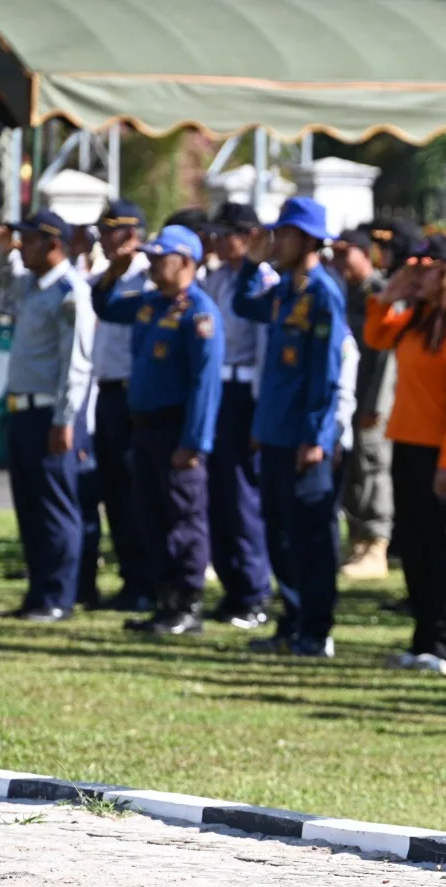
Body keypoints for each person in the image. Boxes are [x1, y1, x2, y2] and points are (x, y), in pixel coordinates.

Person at [92, 224, 224, 634]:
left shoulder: (199, 313)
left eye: (158, 256)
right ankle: (164, 600)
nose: (149, 263)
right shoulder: (151, 303)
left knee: (184, 518)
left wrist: (193, 442)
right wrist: (115, 270)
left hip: (175, 429)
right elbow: (107, 306)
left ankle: (188, 604)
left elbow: (206, 385)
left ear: (185, 262)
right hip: (144, 427)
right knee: (151, 516)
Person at [366, 234, 446, 674]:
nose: (416, 276)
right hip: (409, 446)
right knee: (417, 548)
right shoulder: (419, 319)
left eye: (427, 268)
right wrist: (388, 295)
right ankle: (424, 639)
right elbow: (376, 336)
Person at [232, 197, 347, 658]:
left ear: (310, 240)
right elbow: (243, 305)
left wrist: (316, 437)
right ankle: (291, 621)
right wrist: (249, 263)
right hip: (275, 431)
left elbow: (326, 373)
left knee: (311, 538)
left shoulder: (323, 294)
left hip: (304, 439)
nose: (276, 242)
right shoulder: (284, 290)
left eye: (285, 234)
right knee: (279, 533)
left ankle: (316, 631)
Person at [0, 210, 96, 622]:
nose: (22, 247)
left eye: (29, 240)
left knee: (55, 509)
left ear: (53, 244)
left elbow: (77, 364)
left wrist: (64, 419)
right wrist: (5, 253)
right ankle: (38, 593)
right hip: (22, 410)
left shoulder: (70, 292)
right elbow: (6, 284)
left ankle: (58, 597)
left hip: (49, 416)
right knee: (31, 508)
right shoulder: (34, 286)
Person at [201, 201, 277, 628]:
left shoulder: (263, 281)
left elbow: (265, 351)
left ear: (249, 237)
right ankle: (232, 586)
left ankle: (253, 592)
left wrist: (260, 412)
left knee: (243, 495)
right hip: (217, 387)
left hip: (245, 388)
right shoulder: (214, 279)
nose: (216, 239)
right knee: (217, 495)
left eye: (225, 232)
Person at [83, 199, 155, 614]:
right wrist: (112, 271)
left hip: (134, 395)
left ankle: (145, 581)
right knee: (113, 491)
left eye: (108, 233)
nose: (101, 241)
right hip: (107, 392)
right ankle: (131, 578)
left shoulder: (149, 280)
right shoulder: (105, 280)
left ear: (130, 234)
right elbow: (99, 303)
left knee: (135, 491)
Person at [331, 227, 394, 580]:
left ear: (364, 252)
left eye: (345, 253)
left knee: (372, 465)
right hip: (350, 395)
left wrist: (376, 403)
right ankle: (357, 541)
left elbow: (387, 357)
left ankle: (375, 543)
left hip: (372, 397)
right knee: (353, 467)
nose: (339, 261)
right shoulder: (345, 292)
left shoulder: (380, 292)